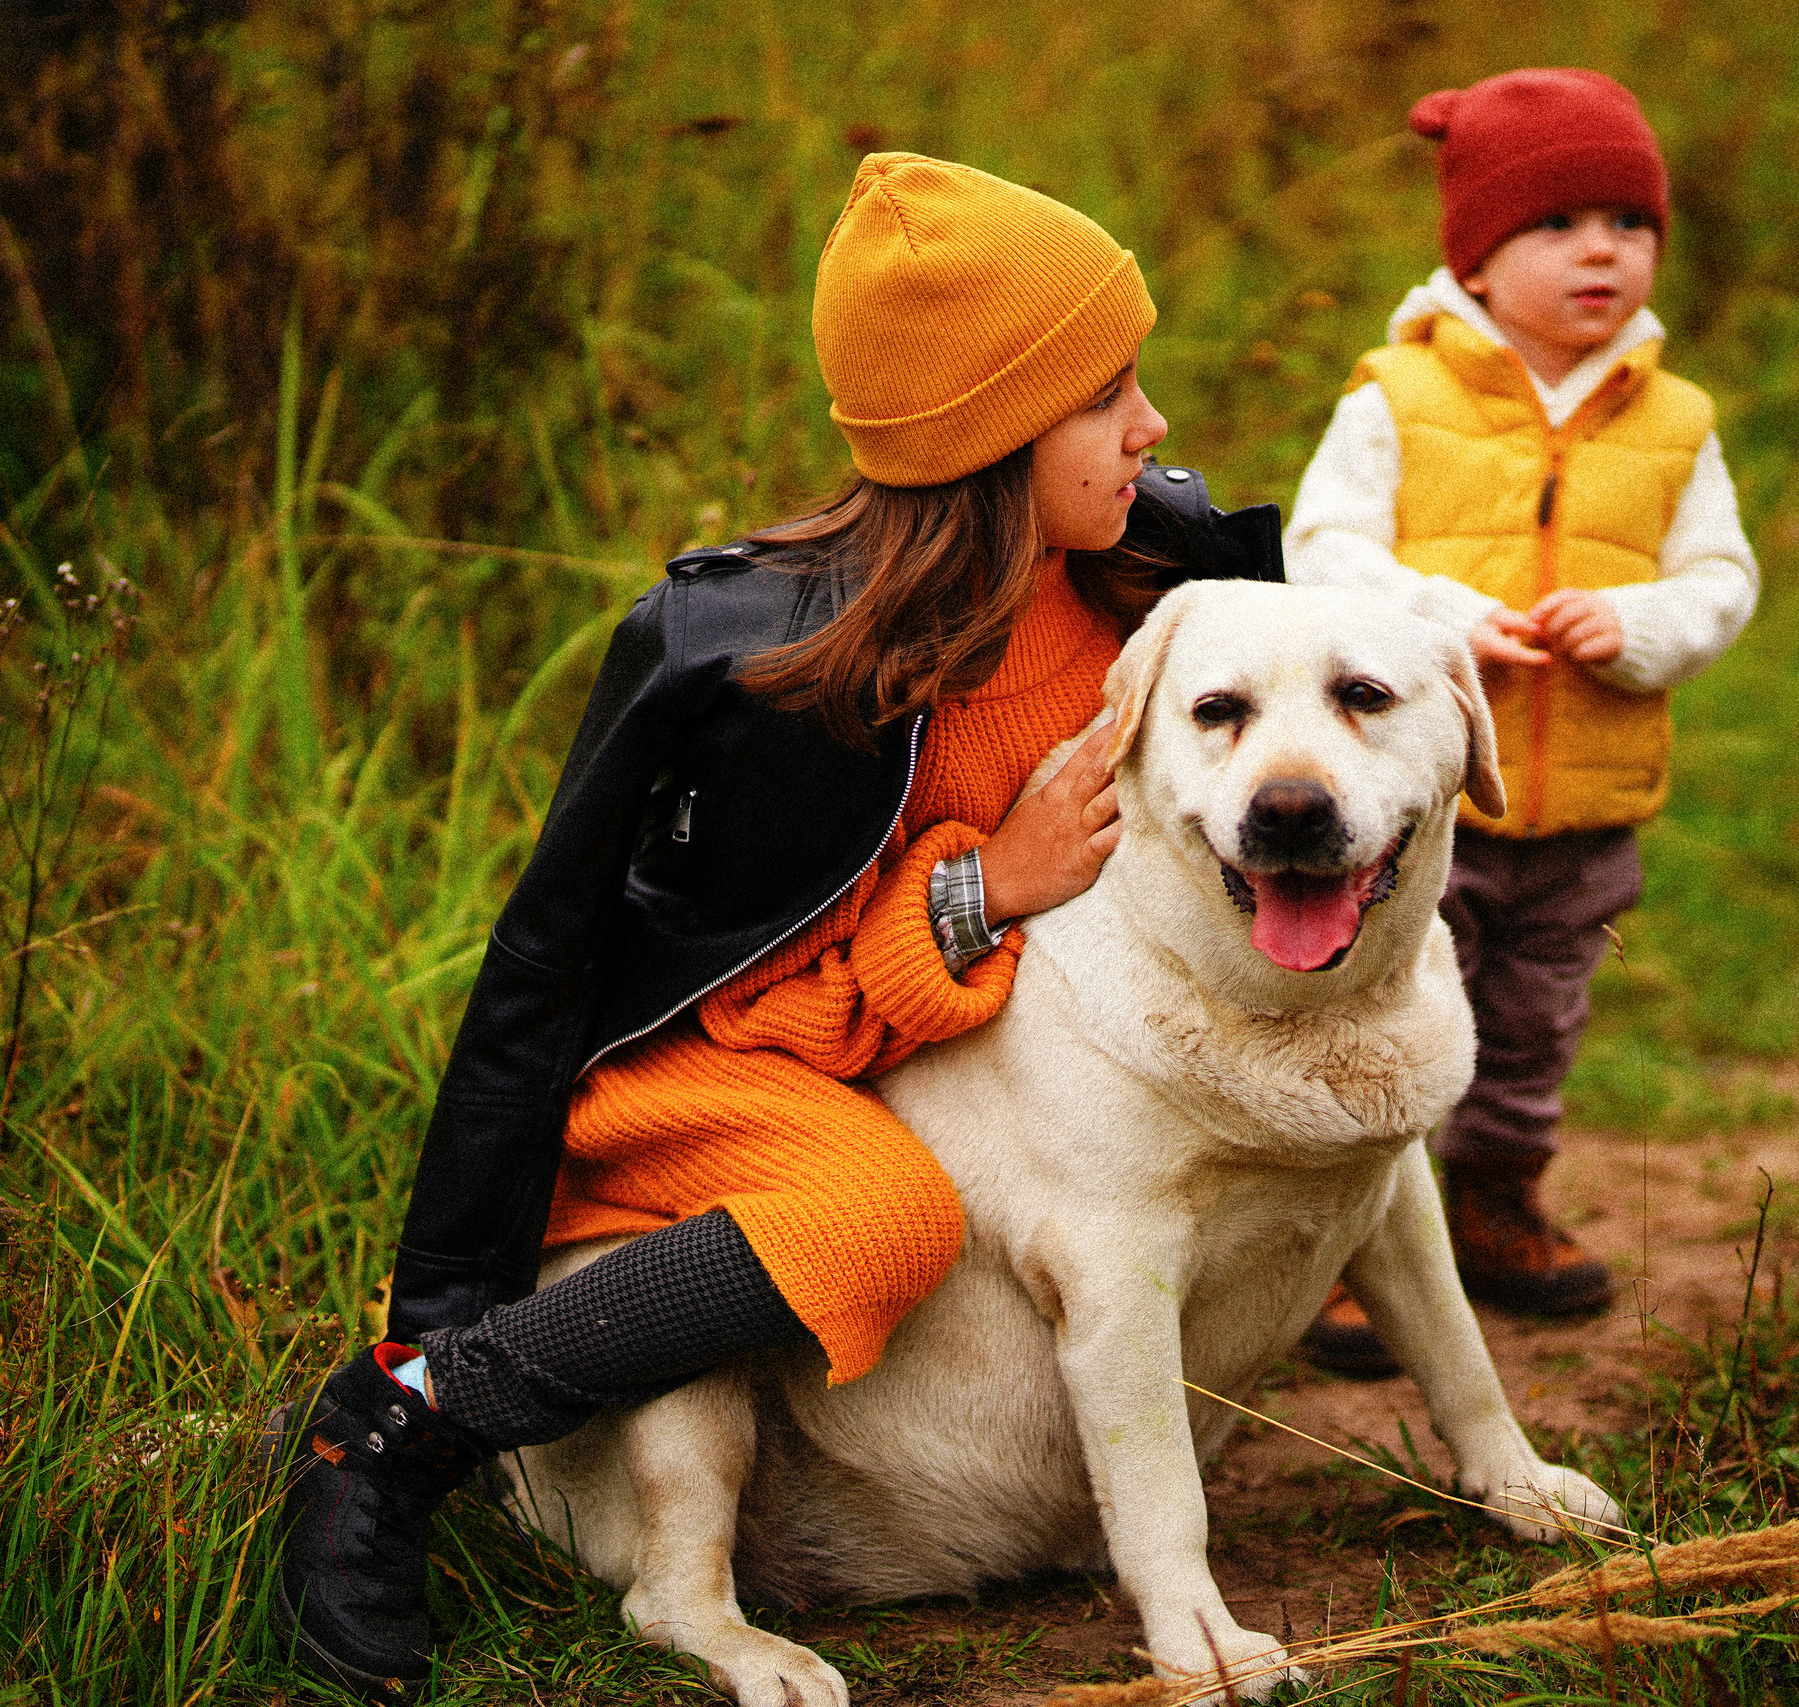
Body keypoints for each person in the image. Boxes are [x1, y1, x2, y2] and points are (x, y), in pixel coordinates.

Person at [266, 152, 1281, 1703]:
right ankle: (408, 1425)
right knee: (883, 1214)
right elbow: (577, 975)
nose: (1152, 428)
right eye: (1107, 395)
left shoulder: (1159, 588)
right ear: (992, 436)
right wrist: (978, 888)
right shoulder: (773, 667)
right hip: (720, 1080)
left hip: (952, 1075)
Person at [1284, 70, 1758, 1360]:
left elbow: (1721, 579)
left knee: (1534, 1023)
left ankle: (1493, 1201)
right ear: (1479, 263)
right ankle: (1339, 1241)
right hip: (1426, 801)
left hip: (1589, 802)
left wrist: (1640, 627)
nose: (1601, 248)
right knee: (1379, 1013)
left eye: (1629, 222)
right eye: (1556, 225)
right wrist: (1439, 619)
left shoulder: (1676, 420)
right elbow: (1323, 549)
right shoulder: (1396, 396)